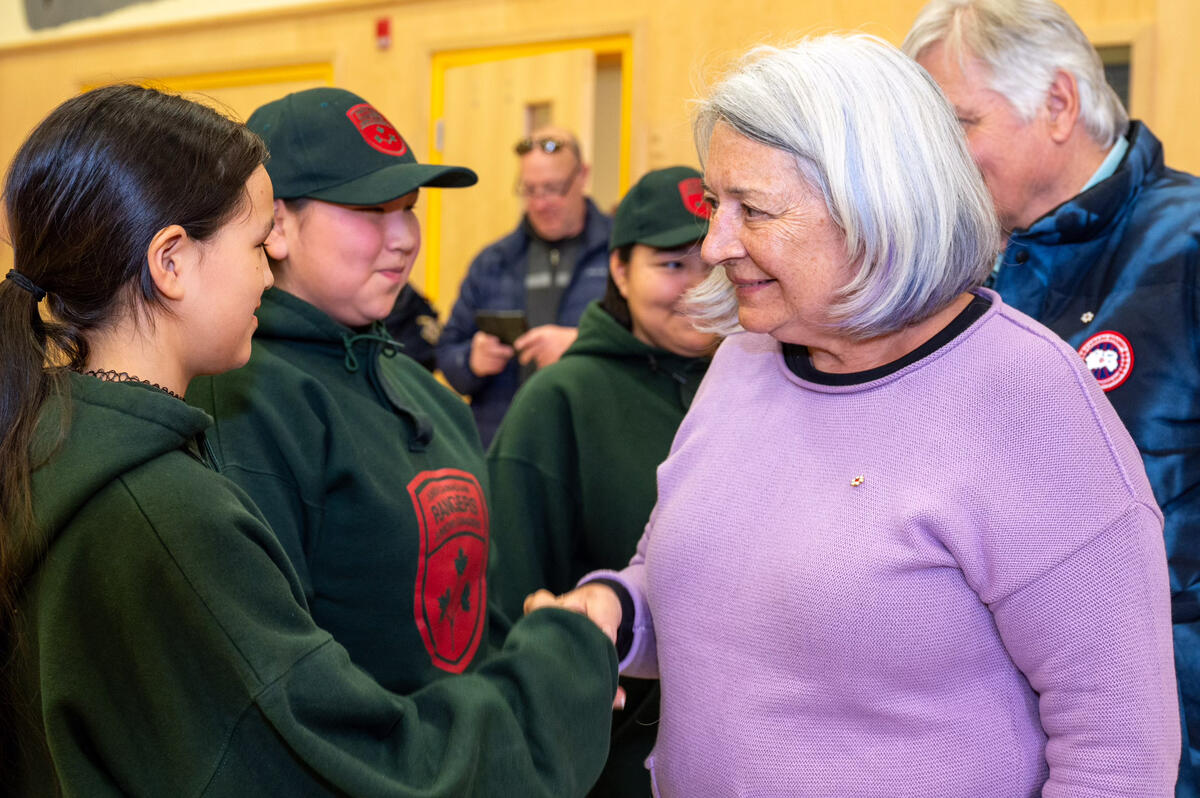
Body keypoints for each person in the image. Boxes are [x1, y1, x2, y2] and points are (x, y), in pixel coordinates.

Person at [527, 34, 1180, 795]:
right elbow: (699, 576)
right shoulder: (747, 359)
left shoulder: (1029, 400)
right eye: (715, 203)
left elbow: (1119, 751)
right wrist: (613, 608)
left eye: (755, 210)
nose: (714, 243)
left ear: (879, 210)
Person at [0, 85, 617, 796]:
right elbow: (346, 769)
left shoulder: (55, 441)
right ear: (170, 262)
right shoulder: (164, 510)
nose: (268, 273)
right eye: (257, 245)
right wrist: (563, 665)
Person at [902, 2, 1200, 792]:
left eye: (959, 123)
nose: (938, 162)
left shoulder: (1187, 249)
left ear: (1059, 105)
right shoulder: (952, 268)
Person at [488, 165, 715, 796]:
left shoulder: (761, 387)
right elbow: (514, 602)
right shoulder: (560, 402)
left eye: (712, 263)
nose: (698, 287)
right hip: (607, 759)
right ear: (620, 270)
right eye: (672, 265)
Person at [437, 127, 613, 446]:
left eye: (553, 188)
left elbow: (653, 346)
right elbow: (447, 352)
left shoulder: (620, 256)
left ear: (583, 176)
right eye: (530, 190)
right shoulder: (493, 261)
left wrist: (584, 344)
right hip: (506, 445)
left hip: (592, 440)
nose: (541, 204)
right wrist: (471, 360)